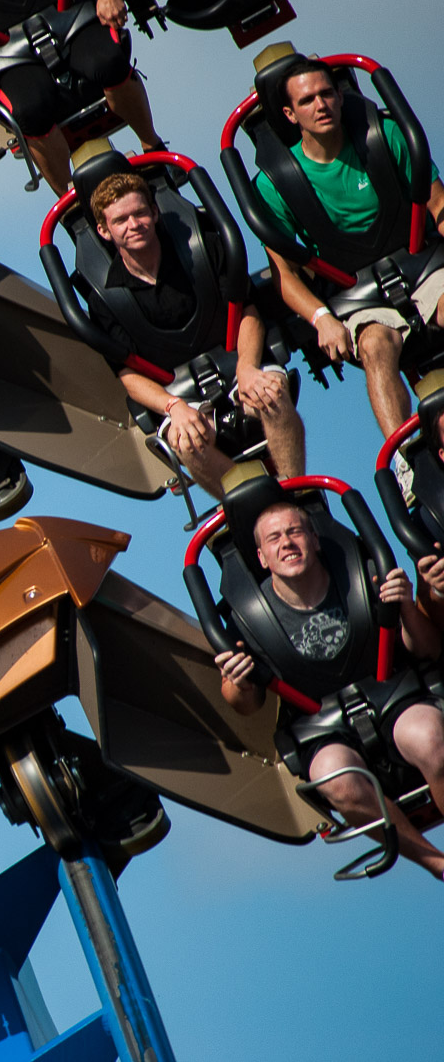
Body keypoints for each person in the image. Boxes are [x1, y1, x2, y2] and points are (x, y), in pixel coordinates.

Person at [214, 501, 444, 879]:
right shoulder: (248, 618)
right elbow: (244, 703)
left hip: (393, 692)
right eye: (274, 538)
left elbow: (429, 649)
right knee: (336, 779)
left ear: (315, 541)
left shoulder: (363, 575)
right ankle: (436, 863)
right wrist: (236, 681)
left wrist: (404, 606)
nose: (287, 543)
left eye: (295, 532)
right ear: (262, 558)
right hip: (320, 724)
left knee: (430, 738)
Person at [255, 57, 444, 439]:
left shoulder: (384, 134)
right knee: (375, 345)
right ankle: (405, 457)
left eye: (327, 94)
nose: (321, 105)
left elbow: (438, 204)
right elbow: (284, 276)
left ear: (342, 97)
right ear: (290, 114)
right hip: (355, 292)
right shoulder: (276, 184)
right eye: (307, 101)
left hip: (422, 263)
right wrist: (321, 318)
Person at [86, 172, 306, 496]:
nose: (134, 224)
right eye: (121, 220)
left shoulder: (201, 249)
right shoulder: (105, 299)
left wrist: (247, 367)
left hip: (237, 362)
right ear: (104, 231)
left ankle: (295, 490)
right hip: (179, 393)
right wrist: (173, 407)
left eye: (140, 213)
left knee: (271, 395)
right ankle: (246, 501)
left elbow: (246, 309)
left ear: (155, 212)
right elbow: (128, 375)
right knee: (186, 441)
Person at [0, 0, 164, 196]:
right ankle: (72, 205)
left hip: (73, 18)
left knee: (108, 61)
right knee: (29, 110)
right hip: (9, 55)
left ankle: (153, 149)